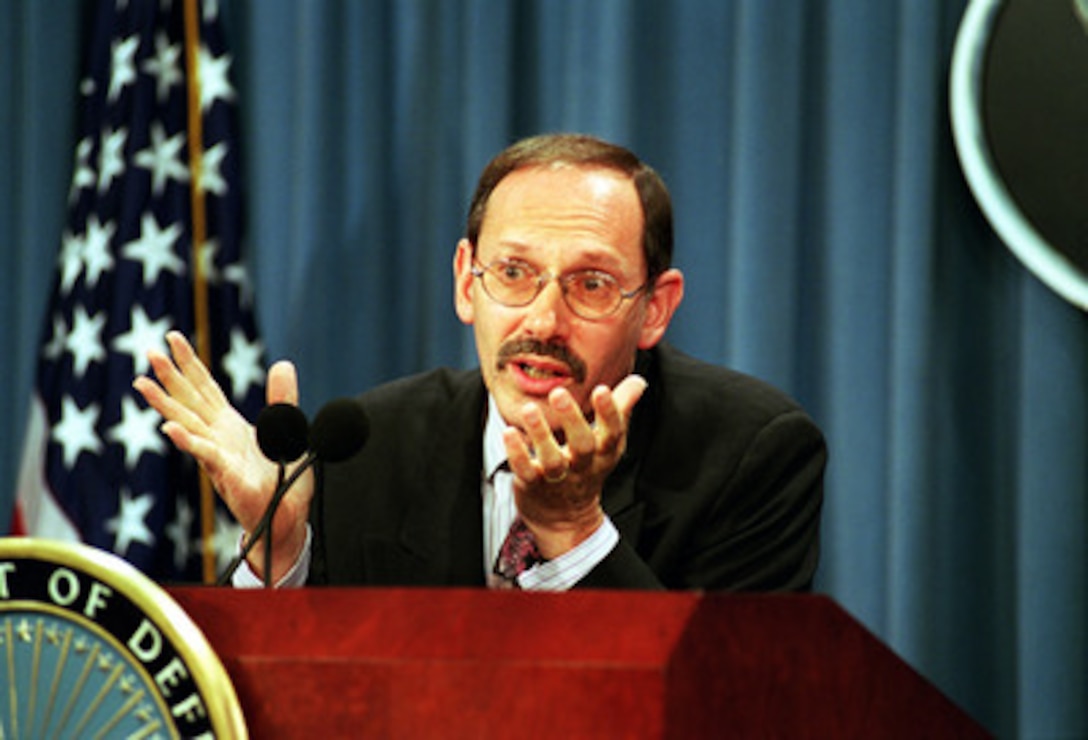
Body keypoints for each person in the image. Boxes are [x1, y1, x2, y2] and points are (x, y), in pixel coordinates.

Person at [134, 133, 826, 591]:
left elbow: (725, 708)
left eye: (591, 284)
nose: (544, 321)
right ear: (468, 282)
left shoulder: (750, 456)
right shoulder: (368, 444)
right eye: (515, 272)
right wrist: (279, 553)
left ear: (655, 307)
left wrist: (572, 530)